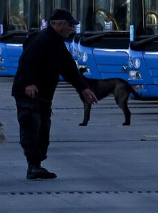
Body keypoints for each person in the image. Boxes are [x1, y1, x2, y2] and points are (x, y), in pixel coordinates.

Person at [11, 9, 98, 180]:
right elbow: (26, 61)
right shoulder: (40, 40)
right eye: (69, 25)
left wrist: (83, 88)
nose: (71, 28)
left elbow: (69, 68)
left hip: (43, 96)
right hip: (29, 94)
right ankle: (33, 166)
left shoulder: (57, 43)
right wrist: (29, 83)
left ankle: (37, 165)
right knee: (31, 129)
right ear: (58, 24)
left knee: (43, 130)